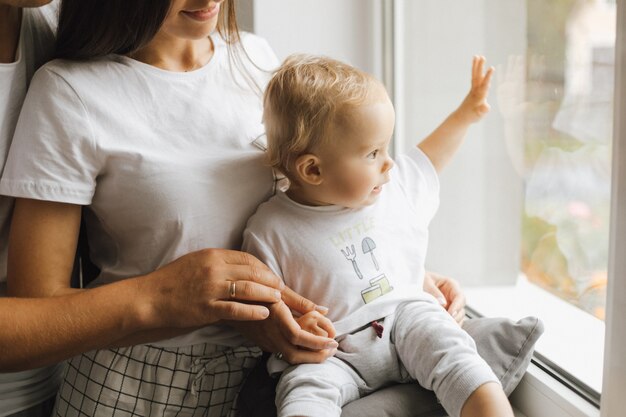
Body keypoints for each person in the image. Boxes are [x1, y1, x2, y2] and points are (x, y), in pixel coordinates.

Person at [0, 0, 344, 415]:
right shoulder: (69, 90)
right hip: (135, 388)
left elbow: (314, 194)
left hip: (266, 377)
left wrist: (385, 260)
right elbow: (40, 302)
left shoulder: (256, 59)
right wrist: (165, 296)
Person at [242, 54, 514, 417]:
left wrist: (466, 113)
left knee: (458, 355)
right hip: (331, 351)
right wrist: (294, 324)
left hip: (406, 319)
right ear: (313, 169)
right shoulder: (270, 228)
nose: (389, 163)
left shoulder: (393, 188)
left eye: (386, 147)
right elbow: (264, 306)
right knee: (301, 394)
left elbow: (430, 157)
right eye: (373, 152)